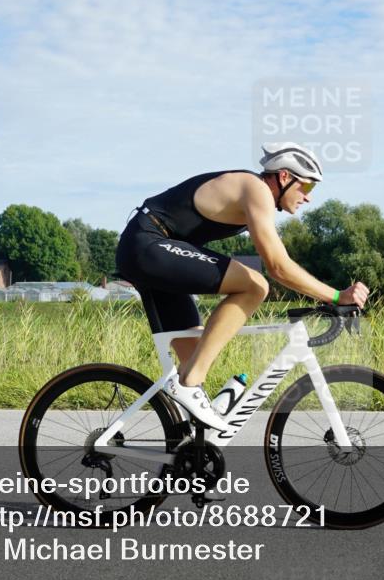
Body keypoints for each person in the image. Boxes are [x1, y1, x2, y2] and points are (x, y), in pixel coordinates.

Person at [115, 142, 369, 430]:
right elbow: (277, 266)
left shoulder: (256, 196)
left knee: (196, 352)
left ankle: (186, 447)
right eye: (307, 188)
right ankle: (188, 385)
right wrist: (337, 296)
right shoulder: (255, 189)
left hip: (152, 249)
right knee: (254, 286)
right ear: (284, 177)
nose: (307, 198)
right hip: (148, 244)